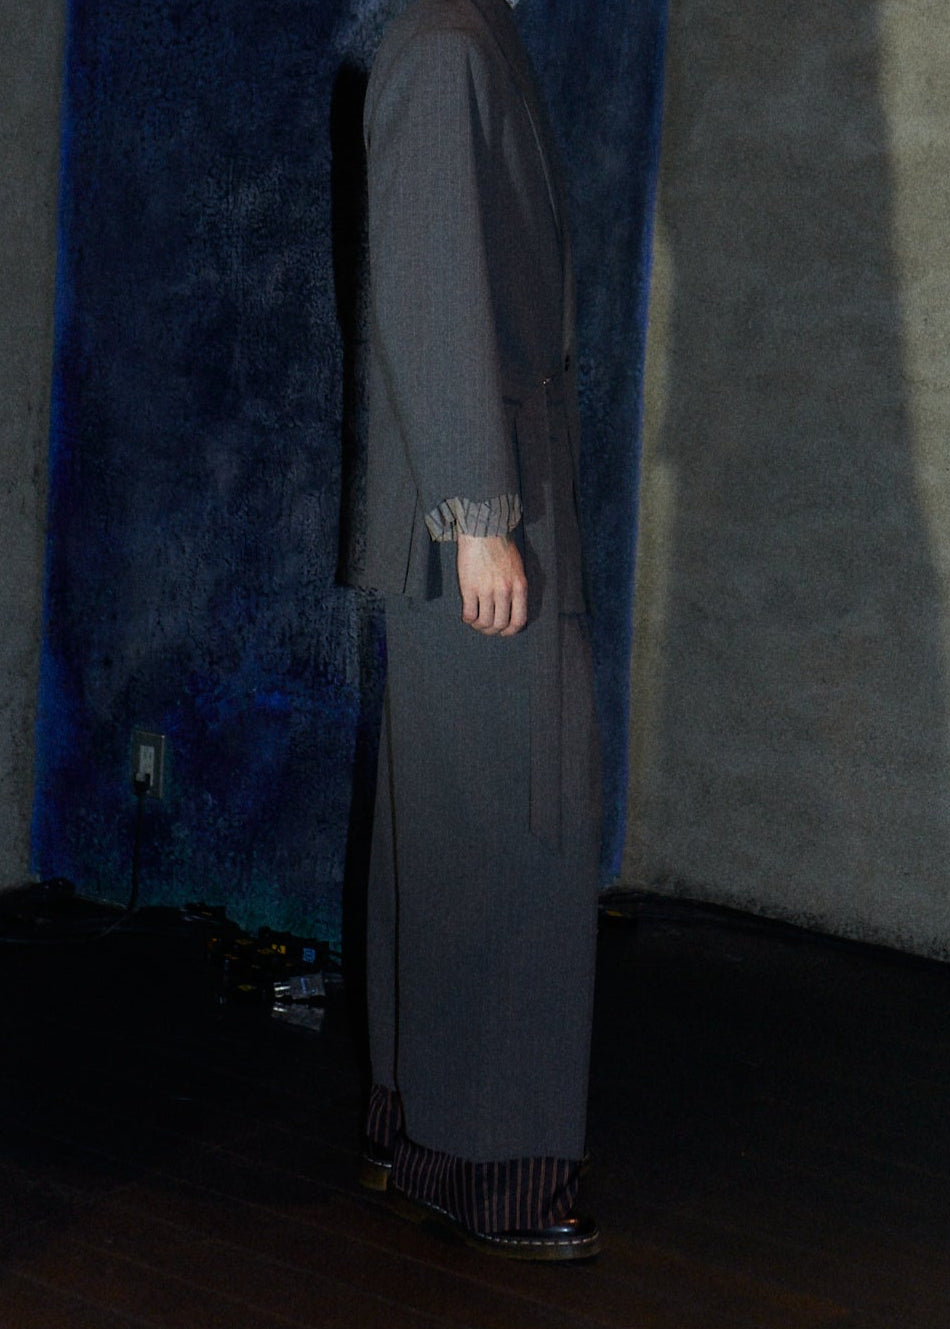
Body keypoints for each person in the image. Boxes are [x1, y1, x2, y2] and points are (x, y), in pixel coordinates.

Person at [352, 0, 601, 1261]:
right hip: (483, 509)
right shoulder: (446, 43)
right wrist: (477, 516)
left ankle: (420, 1132)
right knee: (511, 835)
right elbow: (427, 283)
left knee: (471, 827)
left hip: (506, 486)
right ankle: (490, 1167)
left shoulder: (468, 34)